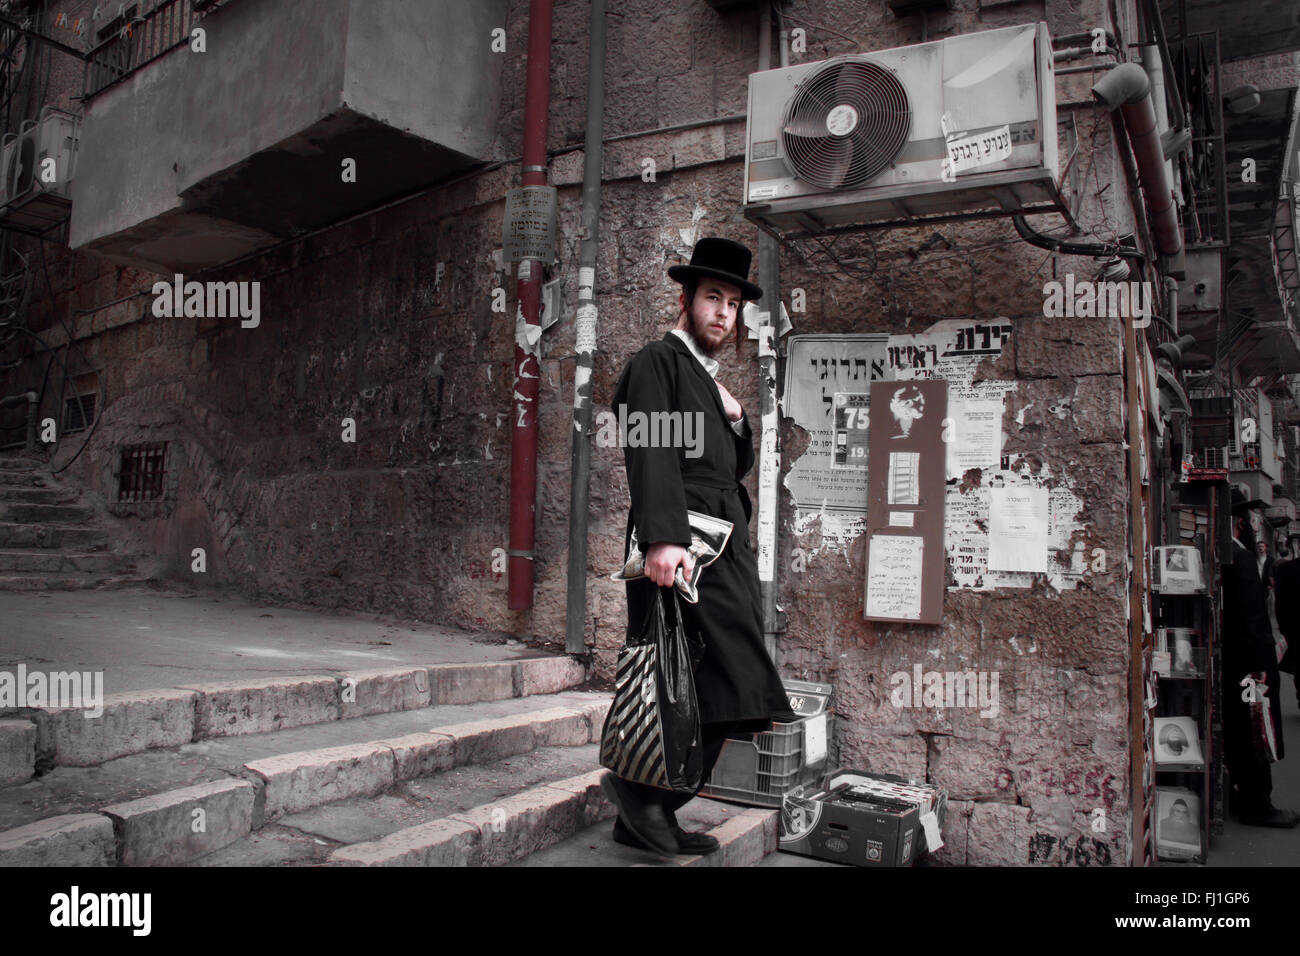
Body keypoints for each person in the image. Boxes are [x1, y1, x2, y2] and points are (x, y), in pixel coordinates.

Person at [602, 236, 797, 855]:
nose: (724, 313)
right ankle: (644, 800)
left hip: (718, 544)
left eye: (734, 304)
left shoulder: (706, 381)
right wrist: (662, 539)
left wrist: (737, 420)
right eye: (713, 297)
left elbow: (728, 466)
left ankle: (642, 811)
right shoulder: (657, 363)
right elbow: (650, 450)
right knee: (723, 678)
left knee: (710, 683)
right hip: (682, 548)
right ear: (685, 299)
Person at [1220, 489, 1298, 827]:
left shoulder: (1222, 556)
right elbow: (1254, 619)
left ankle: (1243, 795)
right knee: (1256, 731)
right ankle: (1258, 804)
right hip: (1251, 669)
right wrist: (1262, 669)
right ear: (1240, 524)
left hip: (1231, 665)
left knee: (1240, 730)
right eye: (1250, 520)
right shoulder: (1243, 559)